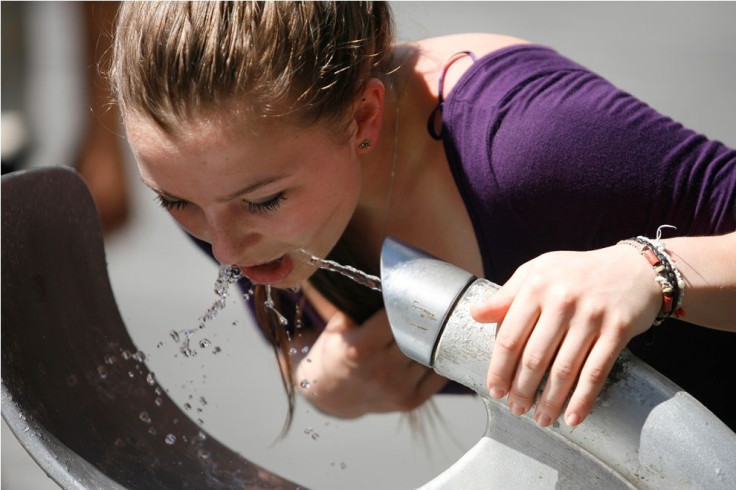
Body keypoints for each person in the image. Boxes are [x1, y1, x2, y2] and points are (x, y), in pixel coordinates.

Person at [109, 2, 736, 433]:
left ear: (363, 119)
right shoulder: (214, 183)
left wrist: (653, 270)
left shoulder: (537, 146)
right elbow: (300, 338)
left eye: (265, 200)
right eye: (175, 203)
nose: (222, 249)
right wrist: (318, 378)